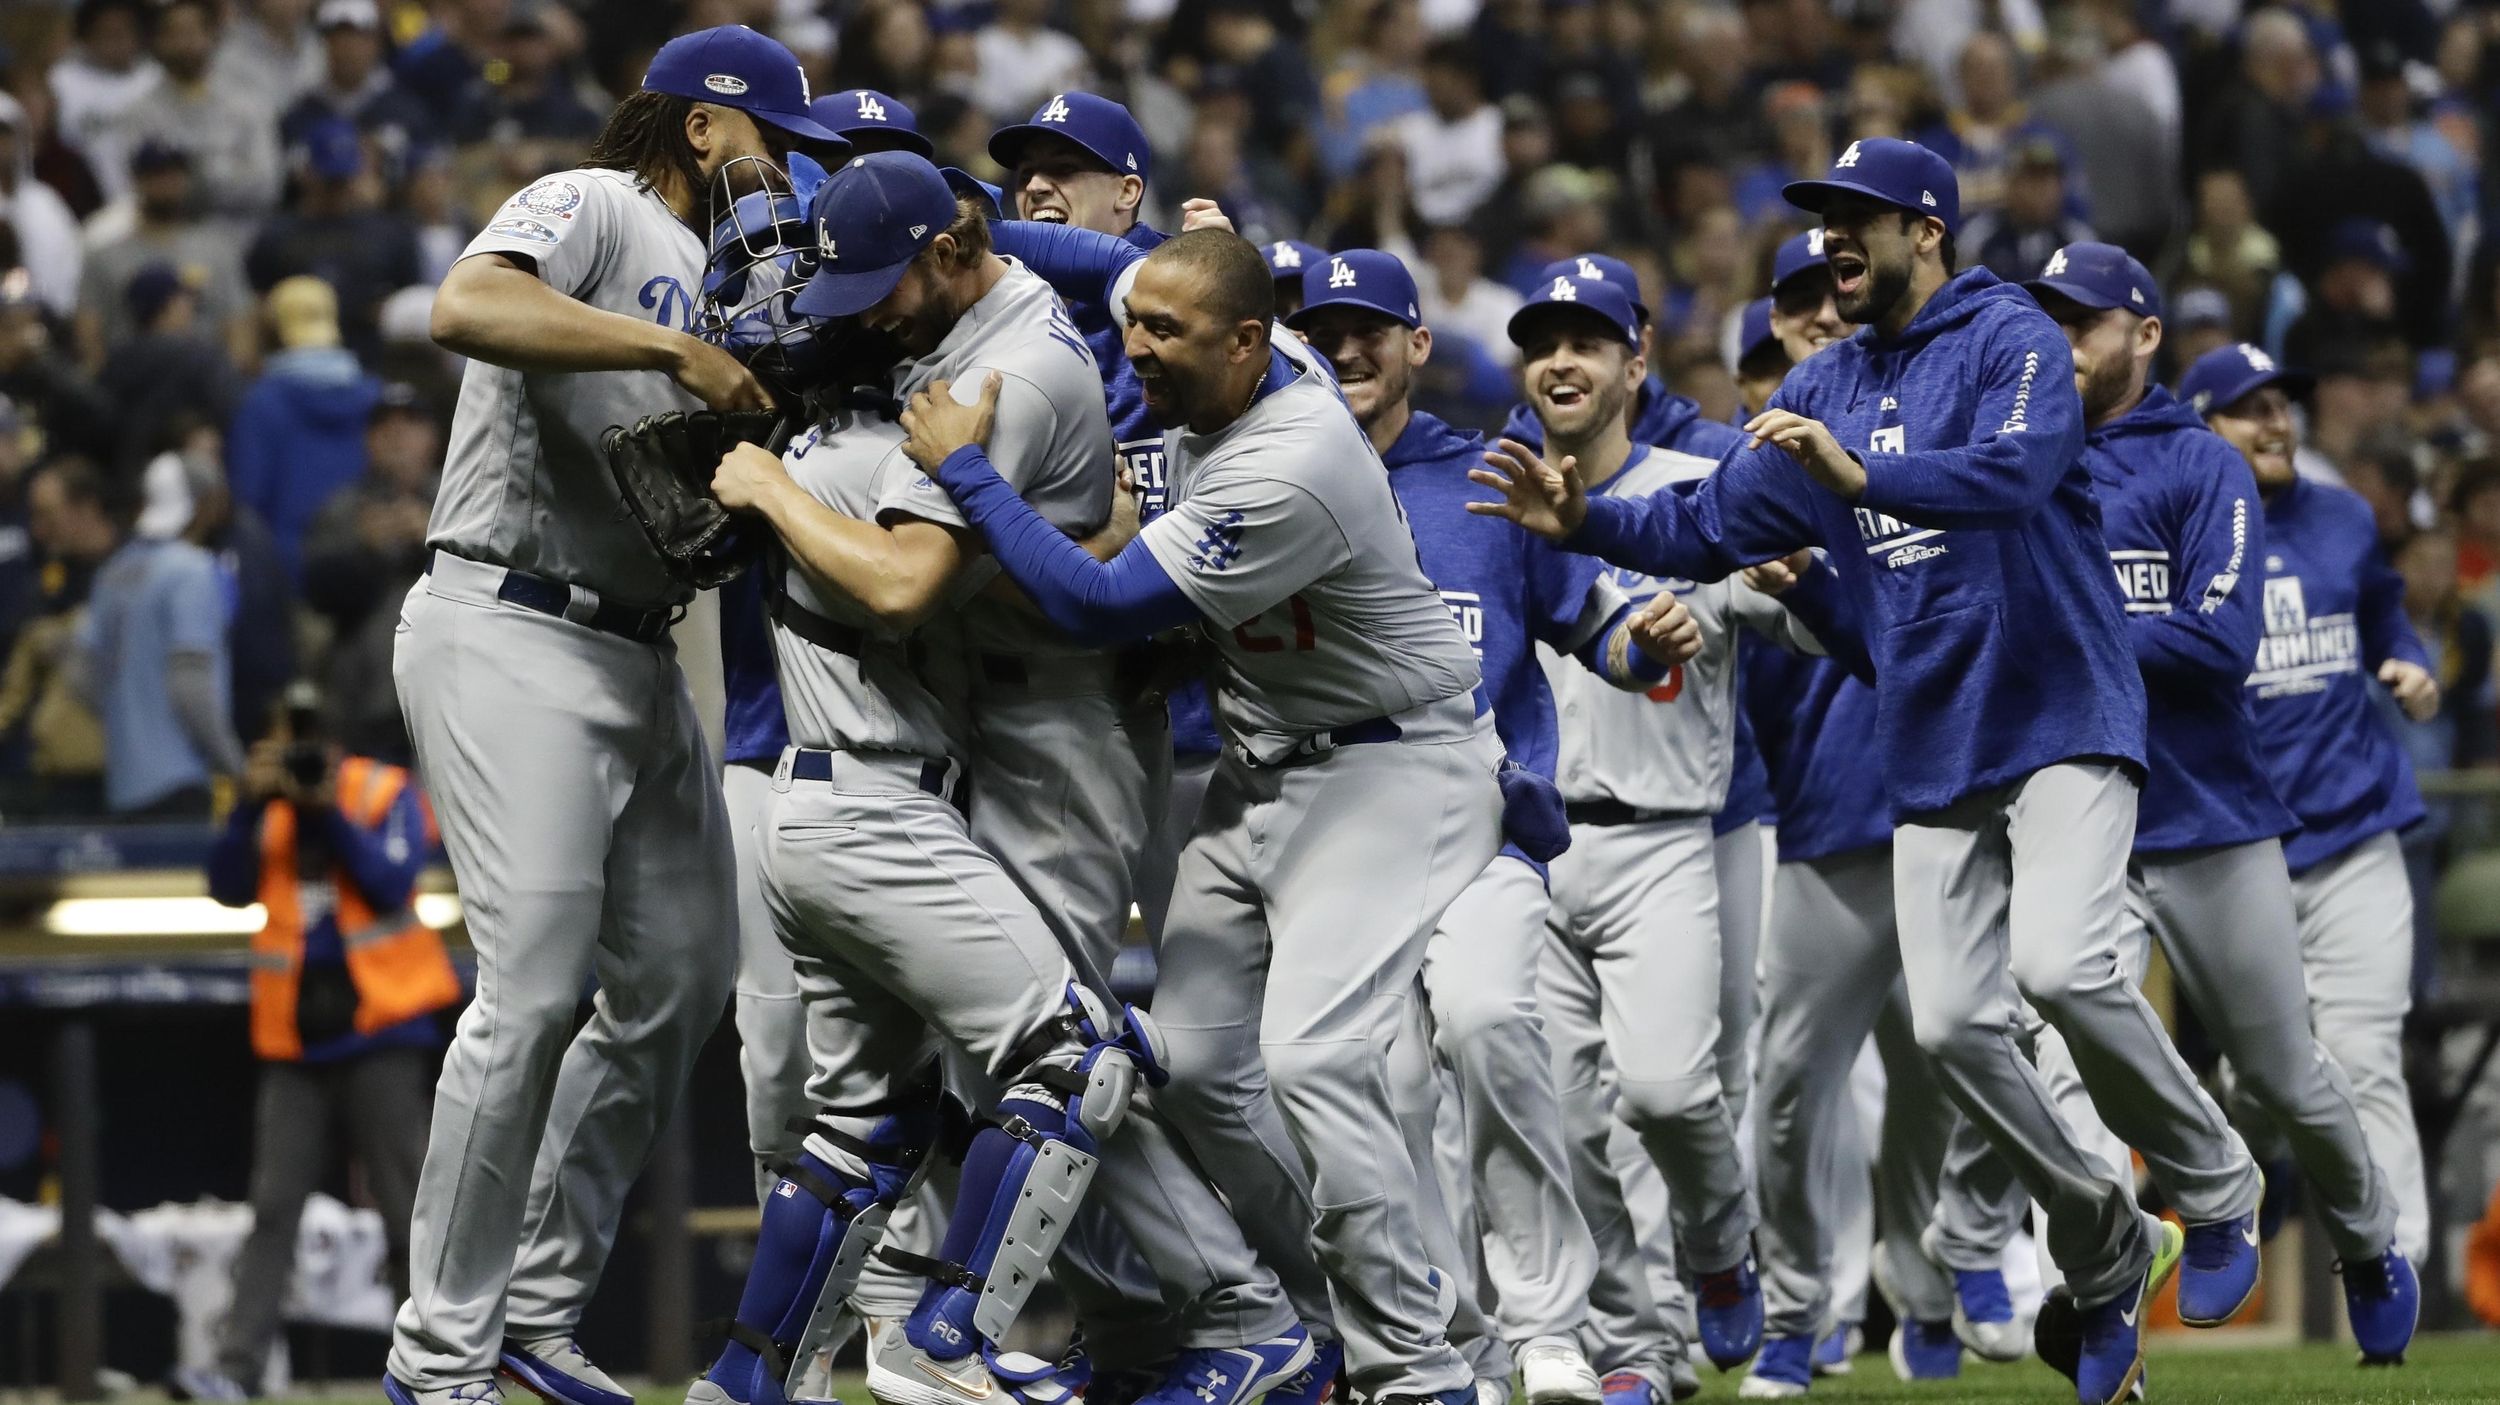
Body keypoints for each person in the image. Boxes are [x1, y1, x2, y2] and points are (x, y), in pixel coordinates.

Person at [1471, 138, 2260, 1405]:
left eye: (1861, 218)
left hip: (2061, 703)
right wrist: (1589, 522)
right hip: (1937, 737)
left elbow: (2019, 471)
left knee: (2060, 969)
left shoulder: (2010, 336)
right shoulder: (1827, 380)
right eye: (1823, 218)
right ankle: (2105, 1246)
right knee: (1952, 1032)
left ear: (1928, 229)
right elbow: (1712, 523)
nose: (1835, 237)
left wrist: (1864, 477)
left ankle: (2219, 1189)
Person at [923, 221, 1669, 1405]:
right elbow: (1103, 267)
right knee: (1200, 1064)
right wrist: (968, 217)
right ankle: (1368, 1321)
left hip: (1394, 765)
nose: (1138, 350)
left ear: (1246, 343)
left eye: (1166, 334)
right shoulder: (1228, 340)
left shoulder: (1296, 449)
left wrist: (967, 472)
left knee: (1320, 1056)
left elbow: (1102, 604)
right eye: (1137, 327)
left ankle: (1416, 1368)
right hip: (1266, 763)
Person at [686, 155, 1315, 1405]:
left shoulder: (997, 372)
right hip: (949, 748)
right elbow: (1066, 267)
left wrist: (755, 472)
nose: (857, 311)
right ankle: (1162, 1325)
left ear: (952, 251)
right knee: (1000, 1069)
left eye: (880, 283)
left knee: (1053, 1056)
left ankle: (1229, 1314)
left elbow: (913, 581)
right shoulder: (936, 341)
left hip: (1052, 730)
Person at [379, 28, 831, 1405]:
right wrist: (668, 352)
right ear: (703, 129)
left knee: (685, 976)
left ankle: (530, 1302)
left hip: (639, 651)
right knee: (524, 1000)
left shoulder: (758, 294)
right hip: (507, 619)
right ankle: (438, 1357)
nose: (788, 172)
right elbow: (462, 307)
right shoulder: (596, 204)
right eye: (770, 141)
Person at [1287, 247, 1688, 1405]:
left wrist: (1642, 646)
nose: (1349, 347)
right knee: (1383, 1083)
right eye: (1325, 328)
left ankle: (1549, 1323)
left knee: (1487, 1015)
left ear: (1419, 345)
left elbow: (1592, 629)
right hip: (1336, 838)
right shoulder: (1272, 478)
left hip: (1484, 828)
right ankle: (1441, 1338)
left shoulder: (1486, 479)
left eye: (1373, 328)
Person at [2011, 249, 2417, 1375]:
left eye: (2080, 321)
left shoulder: (2197, 462)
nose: (2058, 341)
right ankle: (2107, 1290)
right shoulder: (2019, 458)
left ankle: (2372, 1241)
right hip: (2069, 808)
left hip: (2206, 810)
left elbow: (2220, 641)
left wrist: (2076, 635)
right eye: (2044, 321)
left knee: (2288, 1071)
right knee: (2061, 1041)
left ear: (2142, 333)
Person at [2183, 339, 2441, 1280]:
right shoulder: (2183, 526)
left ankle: (2395, 1259)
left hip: (2357, 827)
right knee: (2265, 1077)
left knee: (2365, 1051)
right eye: (2249, 406)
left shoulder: (2341, 517)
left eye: (2283, 403)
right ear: (2202, 428)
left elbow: (2386, 612)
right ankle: (2268, 1152)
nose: (2275, 420)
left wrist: (2409, 661)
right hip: (2241, 848)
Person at [177, 682, 455, 1403]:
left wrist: (326, 808)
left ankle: (438, 1366)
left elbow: (393, 882)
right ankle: (235, 1371)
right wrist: (248, 801)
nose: (298, 755)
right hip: (296, 1041)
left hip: (381, 1028)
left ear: (334, 742)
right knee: (272, 1209)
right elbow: (227, 885)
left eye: (306, 740)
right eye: (284, 739)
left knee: (410, 1209)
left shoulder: (378, 788)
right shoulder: (263, 804)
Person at [42, 457, 243, 817]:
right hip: (180, 779)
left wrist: (129, 716)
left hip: (123, 784)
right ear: (202, 506)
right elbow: (190, 686)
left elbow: (81, 676)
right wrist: (234, 765)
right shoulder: (192, 572)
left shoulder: (114, 572)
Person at [225, 276, 381, 580]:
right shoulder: (378, 397)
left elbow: (248, 498)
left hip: (287, 571)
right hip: (366, 570)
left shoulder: (261, 403)